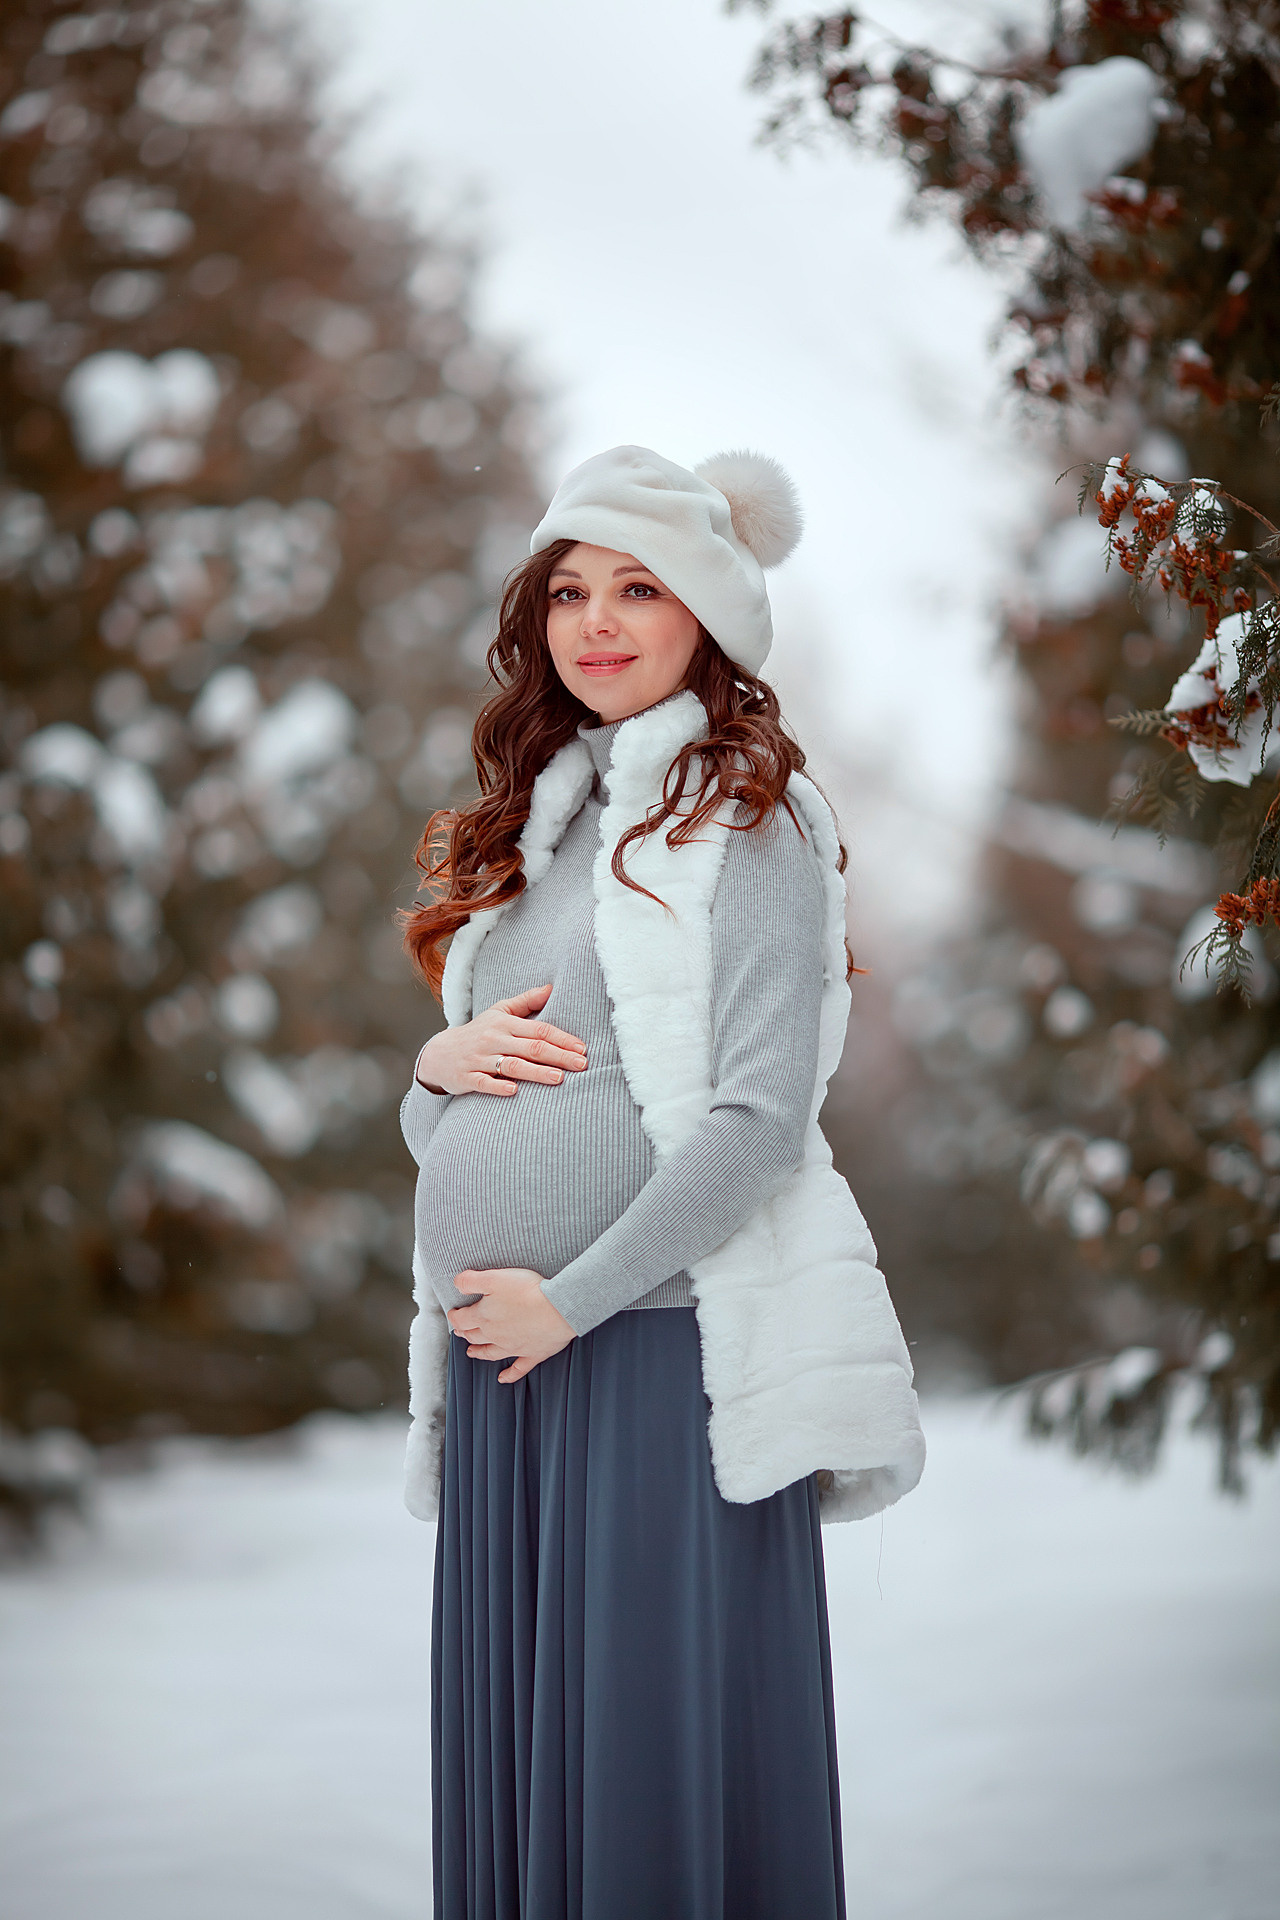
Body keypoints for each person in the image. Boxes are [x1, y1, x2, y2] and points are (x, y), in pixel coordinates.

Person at [399, 444, 924, 1920]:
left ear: (710, 612)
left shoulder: (743, 818)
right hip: (519, 1375)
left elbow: (757, 1123)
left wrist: (569, 1302)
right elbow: (468, 1107)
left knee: (643, 1778)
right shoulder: (547, 823)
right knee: (528, 1779)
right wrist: (426, 1082)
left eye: (639, 586)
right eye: (570, 589)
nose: (598, 621)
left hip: (652, 1364)